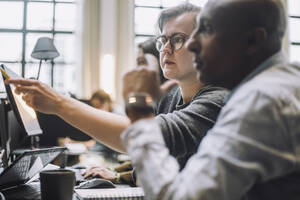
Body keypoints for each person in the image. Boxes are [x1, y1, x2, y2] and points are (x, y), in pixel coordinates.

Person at [120, 0, 300, 199]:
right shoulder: (286, 81)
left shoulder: (261, 101)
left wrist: (137, 108)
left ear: (252, 41)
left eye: (206, 30)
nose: (193, 44)